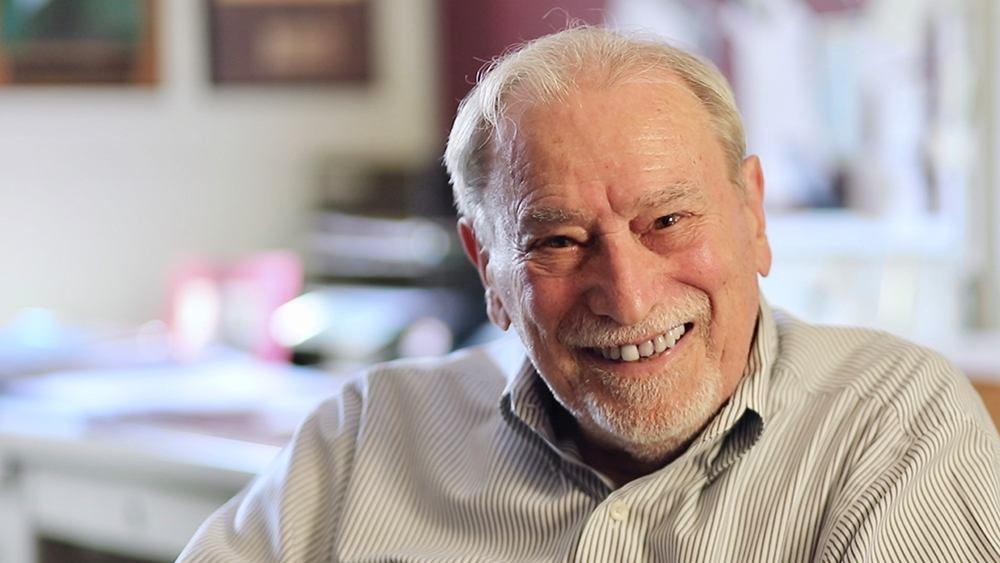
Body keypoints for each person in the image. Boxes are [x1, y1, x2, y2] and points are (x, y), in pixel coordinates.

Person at [177, 26, 1000, 562]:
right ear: (487, 266)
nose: (629, 296)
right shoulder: (367, 438)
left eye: (668, 219)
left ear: (751, 212)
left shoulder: (895, 426)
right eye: (559, 240)